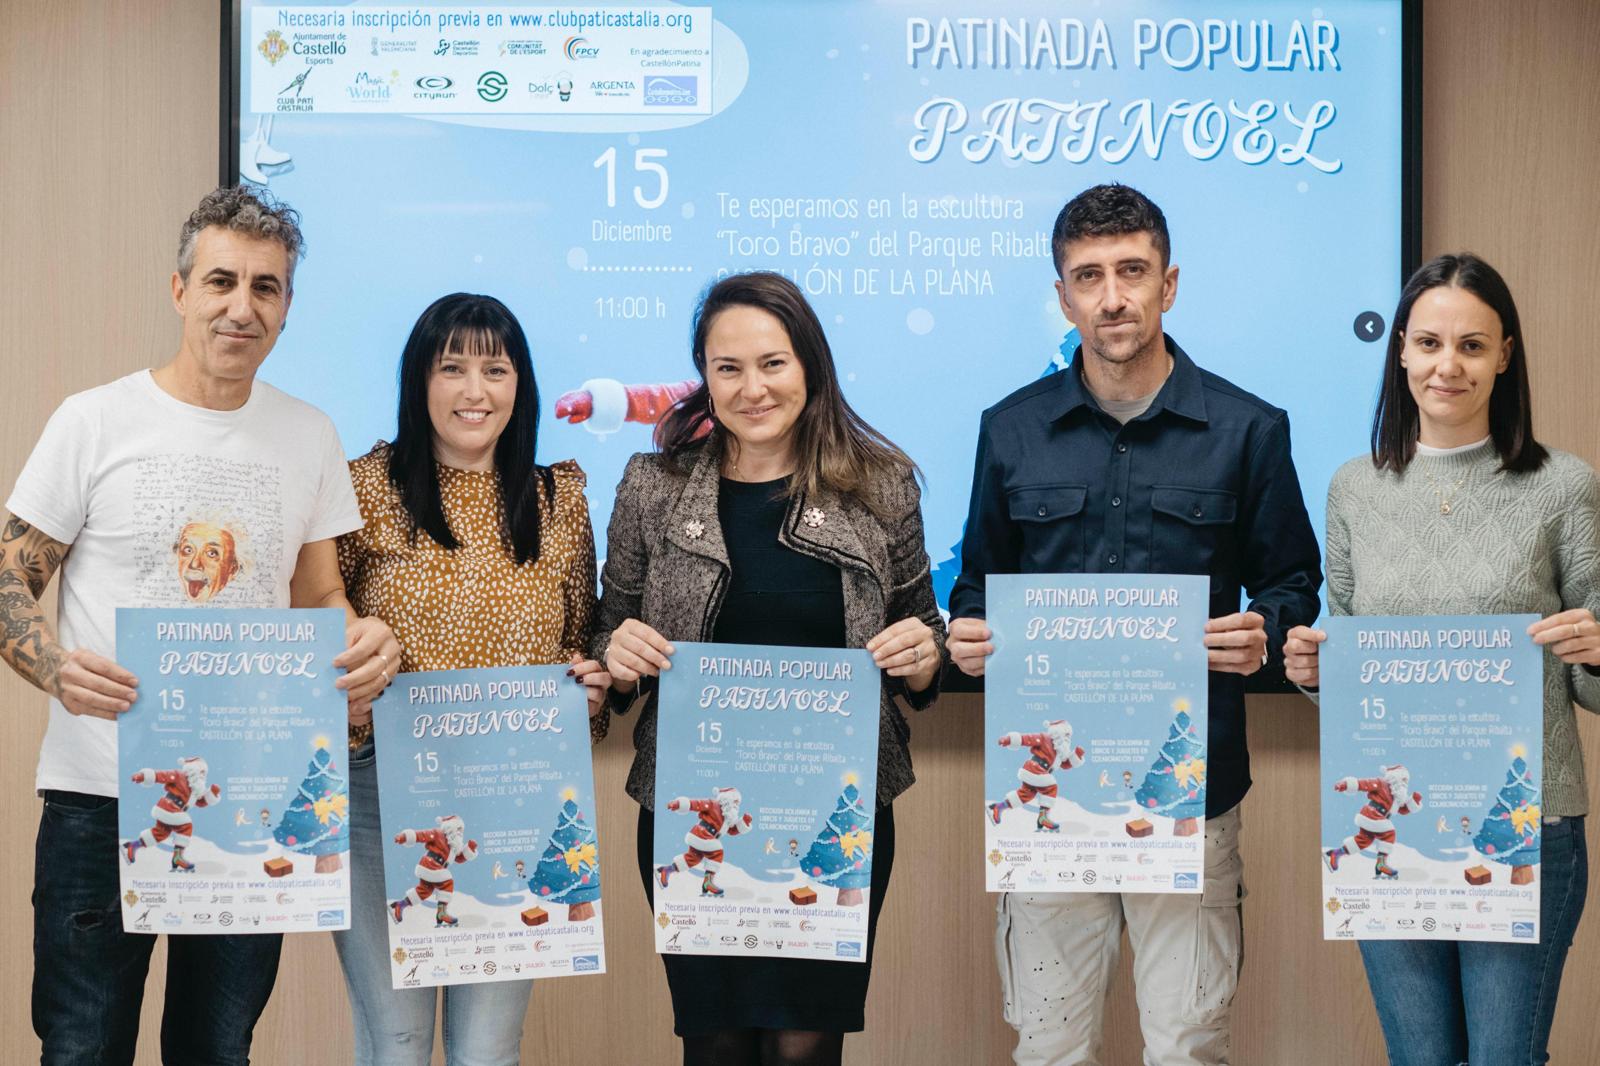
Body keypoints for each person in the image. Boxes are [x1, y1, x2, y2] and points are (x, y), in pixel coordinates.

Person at [2, 184, 399, 1065]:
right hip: (98, 795)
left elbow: (321, 599)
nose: (241, 306)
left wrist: (362, 640)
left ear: (287, 308)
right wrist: (52, 667)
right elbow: (6, 578)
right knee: (80, 1047)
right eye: (221, 281)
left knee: (217, 1051)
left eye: (266, 287)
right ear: (179, 290)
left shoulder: (308, 434)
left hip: (247, 801)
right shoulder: (95, 420)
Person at [946, 183, 1322, 1066]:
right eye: (1089, 277)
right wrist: (967, 635)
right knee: (1050, 1046)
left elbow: (1293, 581)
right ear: (1064, 294)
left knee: (1188, 1044)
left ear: (1170, 283)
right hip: (1048, 798)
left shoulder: (1249, 429)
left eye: (1132, 271)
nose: (1112, 296)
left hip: (1191, 793)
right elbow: (976, 590)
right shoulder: (1009, 431)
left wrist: (1263, 625)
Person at [593, 270, 944, 1066]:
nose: (753, 388)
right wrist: (618, 655)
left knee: (803, 1049)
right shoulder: (655, 487)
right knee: (715, 1045)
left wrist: (925, 658)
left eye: (773, 363)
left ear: (810, 366)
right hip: (692, 822)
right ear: (705, 377)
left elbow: (922, 634)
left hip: (835, 819)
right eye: (729, 368)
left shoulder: (880, 486)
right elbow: (610, 634)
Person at [1283, 252, 1600, 1066]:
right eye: (1427, 343)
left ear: (1505, 354)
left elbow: (1592, 677)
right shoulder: (1353, 487)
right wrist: (1319, 673)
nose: (1446, 365)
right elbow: (1351, 657)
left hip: (1524, 824)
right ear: (1399, 353)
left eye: (1470, 345)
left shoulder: (1566, 486)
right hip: (1393, 824)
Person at [331, 293, 609, 1065]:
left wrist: (586, 686)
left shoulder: (560, 500)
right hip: (379, 801)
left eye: (495, 367)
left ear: (520, 383)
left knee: (488, 1053)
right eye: (451, 367)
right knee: (396, 1046)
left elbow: (579, 640)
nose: (474, 390)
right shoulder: (365, 488)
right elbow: (323, 639)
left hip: (511, 803)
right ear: (419, 382)